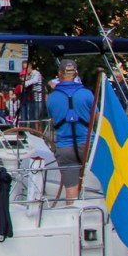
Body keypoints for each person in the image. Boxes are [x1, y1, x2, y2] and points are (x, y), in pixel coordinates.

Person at [46, 60, 96, 200]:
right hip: (88, 145)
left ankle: (73, 214)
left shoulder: (52, 98)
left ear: (59, 74)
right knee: (101, 183)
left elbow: (53, 119)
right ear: (76, 74)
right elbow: (97, 117)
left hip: (65, 147)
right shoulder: (87, 94)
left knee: (71, 190)